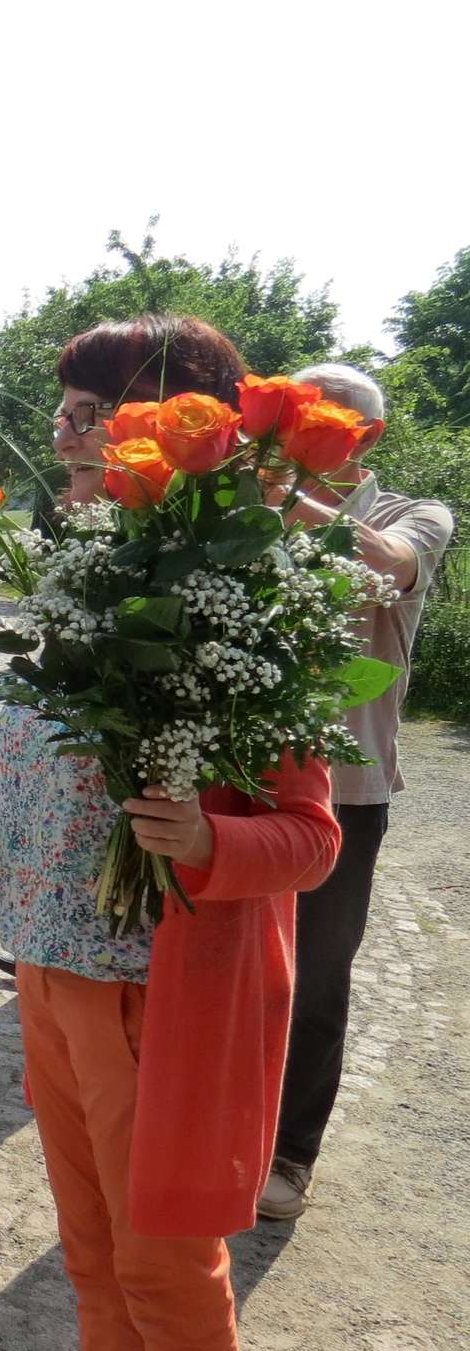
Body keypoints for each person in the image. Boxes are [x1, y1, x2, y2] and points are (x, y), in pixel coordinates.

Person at [0, 313, 345, 1351]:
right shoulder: (79, 578)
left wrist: (211, 846)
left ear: (166, 430)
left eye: (87, 413)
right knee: (91, 1264)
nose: (61, 434)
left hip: (148, 995)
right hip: (46, 972)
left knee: (165, 1278)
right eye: (62, 414)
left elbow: (310, 837)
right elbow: (81, 778)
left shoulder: (244, 604)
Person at [256, 362, 456, 1220]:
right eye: (294, 412)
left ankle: (291, 1154)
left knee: (317, 972)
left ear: (365, 436)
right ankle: (220, 1126)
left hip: (346, 785)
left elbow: (391, 562)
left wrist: (278, 491)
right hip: (243, 772)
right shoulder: (252, 508)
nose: (301, 425)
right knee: (230, 960)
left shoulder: (414, 513)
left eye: (318, 417)